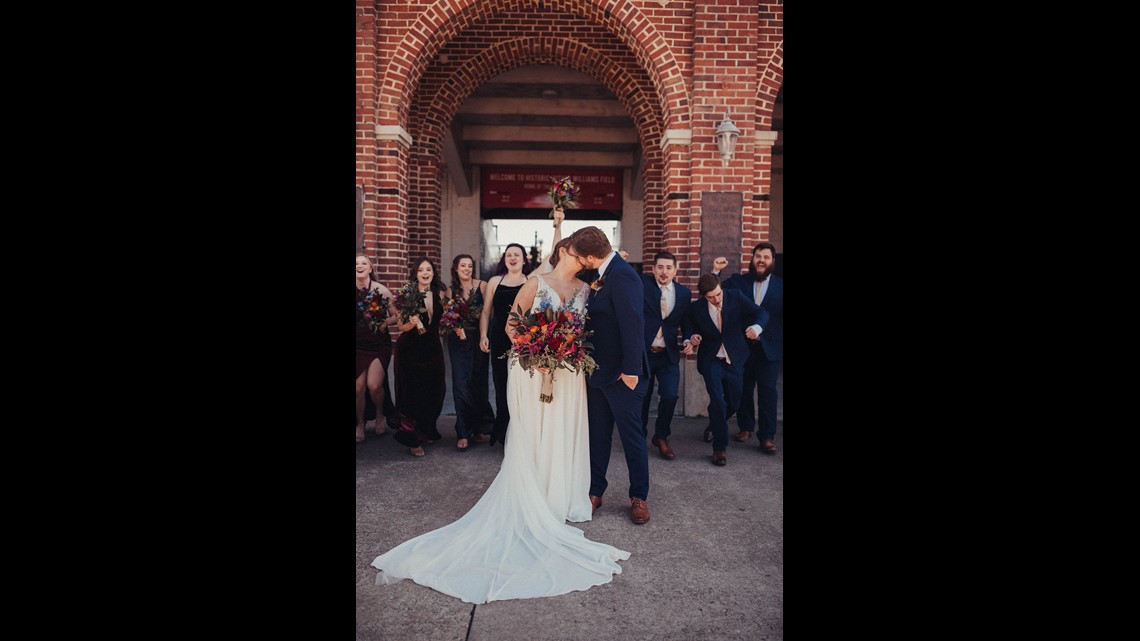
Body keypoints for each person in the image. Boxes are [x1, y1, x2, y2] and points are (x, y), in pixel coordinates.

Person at [372, 236, 629, 604]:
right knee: (532, 433)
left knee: (561, 432)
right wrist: (537, 352)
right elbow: (511, 326)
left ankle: (559, 496)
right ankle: (534, 496)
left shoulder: (585, 289)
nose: (580, 260)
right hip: (530, 368)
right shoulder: (534, 283)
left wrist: (563, 350)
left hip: (568, 372)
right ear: (565, 253)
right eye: (577, 253)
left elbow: (582, 330)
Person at [566, 226, 651, 525]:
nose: (578, 262)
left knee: (632, 439)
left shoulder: (624, 275)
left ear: (592, 256)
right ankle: (595, 492)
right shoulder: (603, 271)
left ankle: (639, 496)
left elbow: (633, 325)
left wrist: (631, 372)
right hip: (597, 373)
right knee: (598, 437)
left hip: (622, 376)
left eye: (580, 257)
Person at [682, 274, 768, 466]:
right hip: (711, 359)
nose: (717, 299)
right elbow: (689, 327)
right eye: (711, 297)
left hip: (735, 359)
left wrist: (756, 328)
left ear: (722, 288)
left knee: (735, 402)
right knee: (718, 401)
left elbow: (761, 313)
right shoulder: (696, 308)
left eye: (718, 294)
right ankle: (719, 449)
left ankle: (714, 423)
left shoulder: (735, 296)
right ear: (704, 296)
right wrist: (692, 338)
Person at [722, 242, 784, 454]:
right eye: (758, 256)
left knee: (768, 392)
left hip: (770, 349)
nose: (761, 260)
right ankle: (745, 427)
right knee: (743, 389)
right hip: (743, 347)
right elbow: (717, 290)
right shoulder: (739, 282)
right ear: (752, 259)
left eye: (766, 257)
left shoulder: (780, 287)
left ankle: (767, 437)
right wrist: (715, 270)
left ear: (772, 262)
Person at [393, 257, 448, 457]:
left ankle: (427, 429)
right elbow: (401, 326)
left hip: (433, 347)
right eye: (421, 270)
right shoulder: (407, 294)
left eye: (429, 269)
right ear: (415, 273)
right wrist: (412, 322)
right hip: (411, 349)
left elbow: (444, 320)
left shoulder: (440, 293)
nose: (425, 273)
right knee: (413, 393)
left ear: (433, 273)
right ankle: (413, 438)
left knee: (435, 390)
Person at [479, 243, 534, 445]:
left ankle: (521, 432)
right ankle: (503, 431)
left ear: (524, 259)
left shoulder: (531, 280)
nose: (512, 258)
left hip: (524, 338)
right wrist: (483, 335)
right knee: (501, 384)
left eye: (516, 255)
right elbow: (486, 311)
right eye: (508, 255)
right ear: (504, 259)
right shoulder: (495, 281)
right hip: (499, 338)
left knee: (522, 386)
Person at [639, 251, 692, 460]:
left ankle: (661, 437)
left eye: (669, 268)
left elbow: (687, 323)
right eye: (660, 267)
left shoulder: (684, 293)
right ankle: (639, 437)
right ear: (653, 269)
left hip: (668, 354)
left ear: (675, 270)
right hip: (644, 354)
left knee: (670, 395)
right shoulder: (643, 286)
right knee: (642, 398)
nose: (664, 272)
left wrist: (688, 339)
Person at [445, 254, 495, 450]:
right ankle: (463, 431)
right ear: (455, 268)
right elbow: (448, 317)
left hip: (478, 338)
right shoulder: (451, 291)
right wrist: (455, 326)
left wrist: (484, 335)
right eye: (462, 266)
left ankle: (479, 427)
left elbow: (487, 313)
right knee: (460, 383)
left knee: (478, 381)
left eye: (469, 266)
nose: (466, 269)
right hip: (458, 341)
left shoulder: (482, 285)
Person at [356, 253, 397, 444]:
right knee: (358, 388)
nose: (359, 266)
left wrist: (385, 322)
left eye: (364, 263)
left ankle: (380, 413)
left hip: (378, 344)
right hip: (357, 344)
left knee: (374, 386)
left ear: (371, 268)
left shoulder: (381, 290)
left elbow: (396, 316)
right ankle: (360, 423)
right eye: (356, 263)